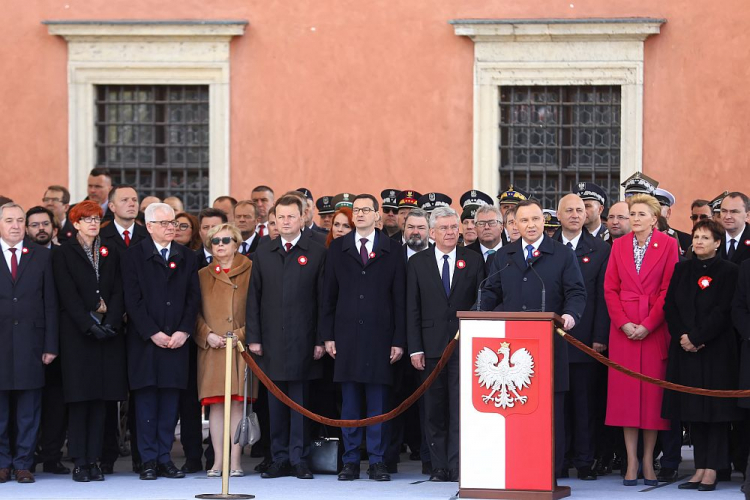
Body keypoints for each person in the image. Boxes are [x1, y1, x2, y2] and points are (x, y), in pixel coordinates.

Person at [478, 199, 586, 479]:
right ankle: (519, 463)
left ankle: (552, 468)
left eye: (535, 219)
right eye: (523, 221)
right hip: (512, 348)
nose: (530, 225)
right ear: (514, 225)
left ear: (544, 221)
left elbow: (576, 291)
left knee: (551, 410)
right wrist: (478, 312)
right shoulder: (504, 256)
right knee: (518, 406)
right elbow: (492, 291)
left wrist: (571, 314)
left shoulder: (561, 254)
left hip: (550, 343)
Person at [320, 193, 406, 482]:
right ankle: (351, 460)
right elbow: (328, 296)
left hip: (381, 337)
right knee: (350, 403)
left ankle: (379, 461)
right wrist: (328, 335)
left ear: (376, 216)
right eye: (356, 210)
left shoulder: (392, 249)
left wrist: (398, 339)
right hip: (346, 337)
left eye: (366, 210)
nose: (360, 215)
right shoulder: (339, 249)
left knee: (378, 402)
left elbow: (400, 299)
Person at [247, 195, 326, 479]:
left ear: (303, 218)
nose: (285, 222)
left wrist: (320, 339)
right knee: (276, 404)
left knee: (301, 404)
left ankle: (300, 458)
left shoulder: (317, 252)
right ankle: (279, 457)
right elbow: (253, 298)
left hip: (305, 342)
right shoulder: (263, 253)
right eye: (280, 217)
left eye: (291, 216)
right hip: (271, 343)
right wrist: (254, 337)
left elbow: (323, 301)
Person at [121, 203, 201, 480]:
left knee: (170, 403)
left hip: (177, 341)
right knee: (145, 402)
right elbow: (132, 300)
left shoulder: (188, 257)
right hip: (145, 342)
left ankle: (165, 458)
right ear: (150, 226)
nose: (172, 228)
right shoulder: (133, 257)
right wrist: (152, 332)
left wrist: (183, 331)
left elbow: (194, 299)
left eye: (175, 223)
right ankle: (148, 461)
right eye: (165, 223)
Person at [603, 193, 679, 486]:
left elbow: (668, 290)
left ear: (654, 219)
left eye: (640, 214)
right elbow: (610, 288)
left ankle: (649, 458)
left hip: (653, 329)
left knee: (651, 399)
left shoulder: (669, 245)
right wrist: (623, 323)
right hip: (623, 332)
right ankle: (631, 459)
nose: (634, 219)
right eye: (631, 213)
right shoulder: (618, 245)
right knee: (625, 399)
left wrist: (648, 324)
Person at [662, 219, 741, 491]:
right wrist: (683, 337)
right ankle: (699, 468)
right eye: (696, 237)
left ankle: (714, 469)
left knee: (716, 411)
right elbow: (670, 306)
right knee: (694, 411)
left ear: (718, 242)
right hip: (686, 352)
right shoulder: (681, 269)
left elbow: (724, 311)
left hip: (716, 351)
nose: (698, 242)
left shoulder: (730, 271)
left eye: (706, 238)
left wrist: (698, 337)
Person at [407, 206, 484, 482]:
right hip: (429, 349)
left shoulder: (472, 260)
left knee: (460, 408)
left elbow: (481, 300)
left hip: (464, 346)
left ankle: (457, 465)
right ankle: (438, 465)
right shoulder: (417, 263)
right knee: (434, 409)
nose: (451, 232)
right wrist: (415, 348)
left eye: (454, 227)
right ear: (432, 232)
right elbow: (412, 309)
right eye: (444, 228)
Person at [52, 200, 127, 482]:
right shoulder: (64, 253)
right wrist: (87, 324)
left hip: (108, 336)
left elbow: (120, 288)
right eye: (87, 219)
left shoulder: (112, 250)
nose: (94, 223)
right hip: (77, 336)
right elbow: (67, 294)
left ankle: (95, 460)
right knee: (80, 400)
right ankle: (80, 461)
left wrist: (111, 321)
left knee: (101, 400)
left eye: (97, 218)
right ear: (76, 223)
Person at [0, 202, 58, 484]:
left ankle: (23, 463)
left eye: (20, 220)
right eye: (9, 220)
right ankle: (1, 463)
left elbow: (50, 304)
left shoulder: (40, 256)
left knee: (28, 410)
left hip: (31, 343)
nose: (15, 225)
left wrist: (50, 345)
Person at [554, 194, 611, 480]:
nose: (576, 215)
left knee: (585, 404)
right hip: (552, 341)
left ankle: (585, 461)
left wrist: (600, 336)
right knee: (558, 405)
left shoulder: (600, 249)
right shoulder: (548, 247)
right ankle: (559, 460)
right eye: (569, 210)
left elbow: (602, 296)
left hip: (586, 340)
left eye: (580, 210)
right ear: (559, 215)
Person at [195, 223, 252, 477]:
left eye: (226, 240)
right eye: (215, 241)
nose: (220, 245)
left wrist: (238, 335)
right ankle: (218, 461)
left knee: (237, 406)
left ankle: (236, 462)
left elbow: (260, 309)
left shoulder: (252, 270)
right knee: (216, 406)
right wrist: (206, 334)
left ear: (236, 243)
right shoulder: (202, 275)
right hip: (212, 348)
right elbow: (192, 311)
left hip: (239, 347)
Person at [720, 192, 750, 264]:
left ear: (747, 216)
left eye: (734, 212)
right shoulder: (713, 238)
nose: (727, 216)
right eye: (724, 211)